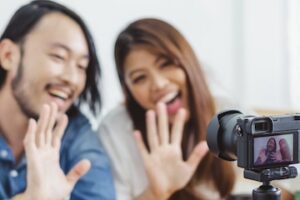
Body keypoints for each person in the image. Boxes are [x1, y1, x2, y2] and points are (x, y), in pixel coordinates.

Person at [99, 18, 236, 200]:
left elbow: (283, 180)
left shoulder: (226, 111)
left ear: (188, 61)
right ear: (128, 91)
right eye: (140, 78)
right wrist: (156, 192)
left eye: (166, 64)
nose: (159, 84)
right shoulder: (114, 131)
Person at [0, 1, 115, 199]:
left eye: (81, 66)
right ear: (8, 55)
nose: (71, 78)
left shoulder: (76, 133)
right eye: (58, 57)